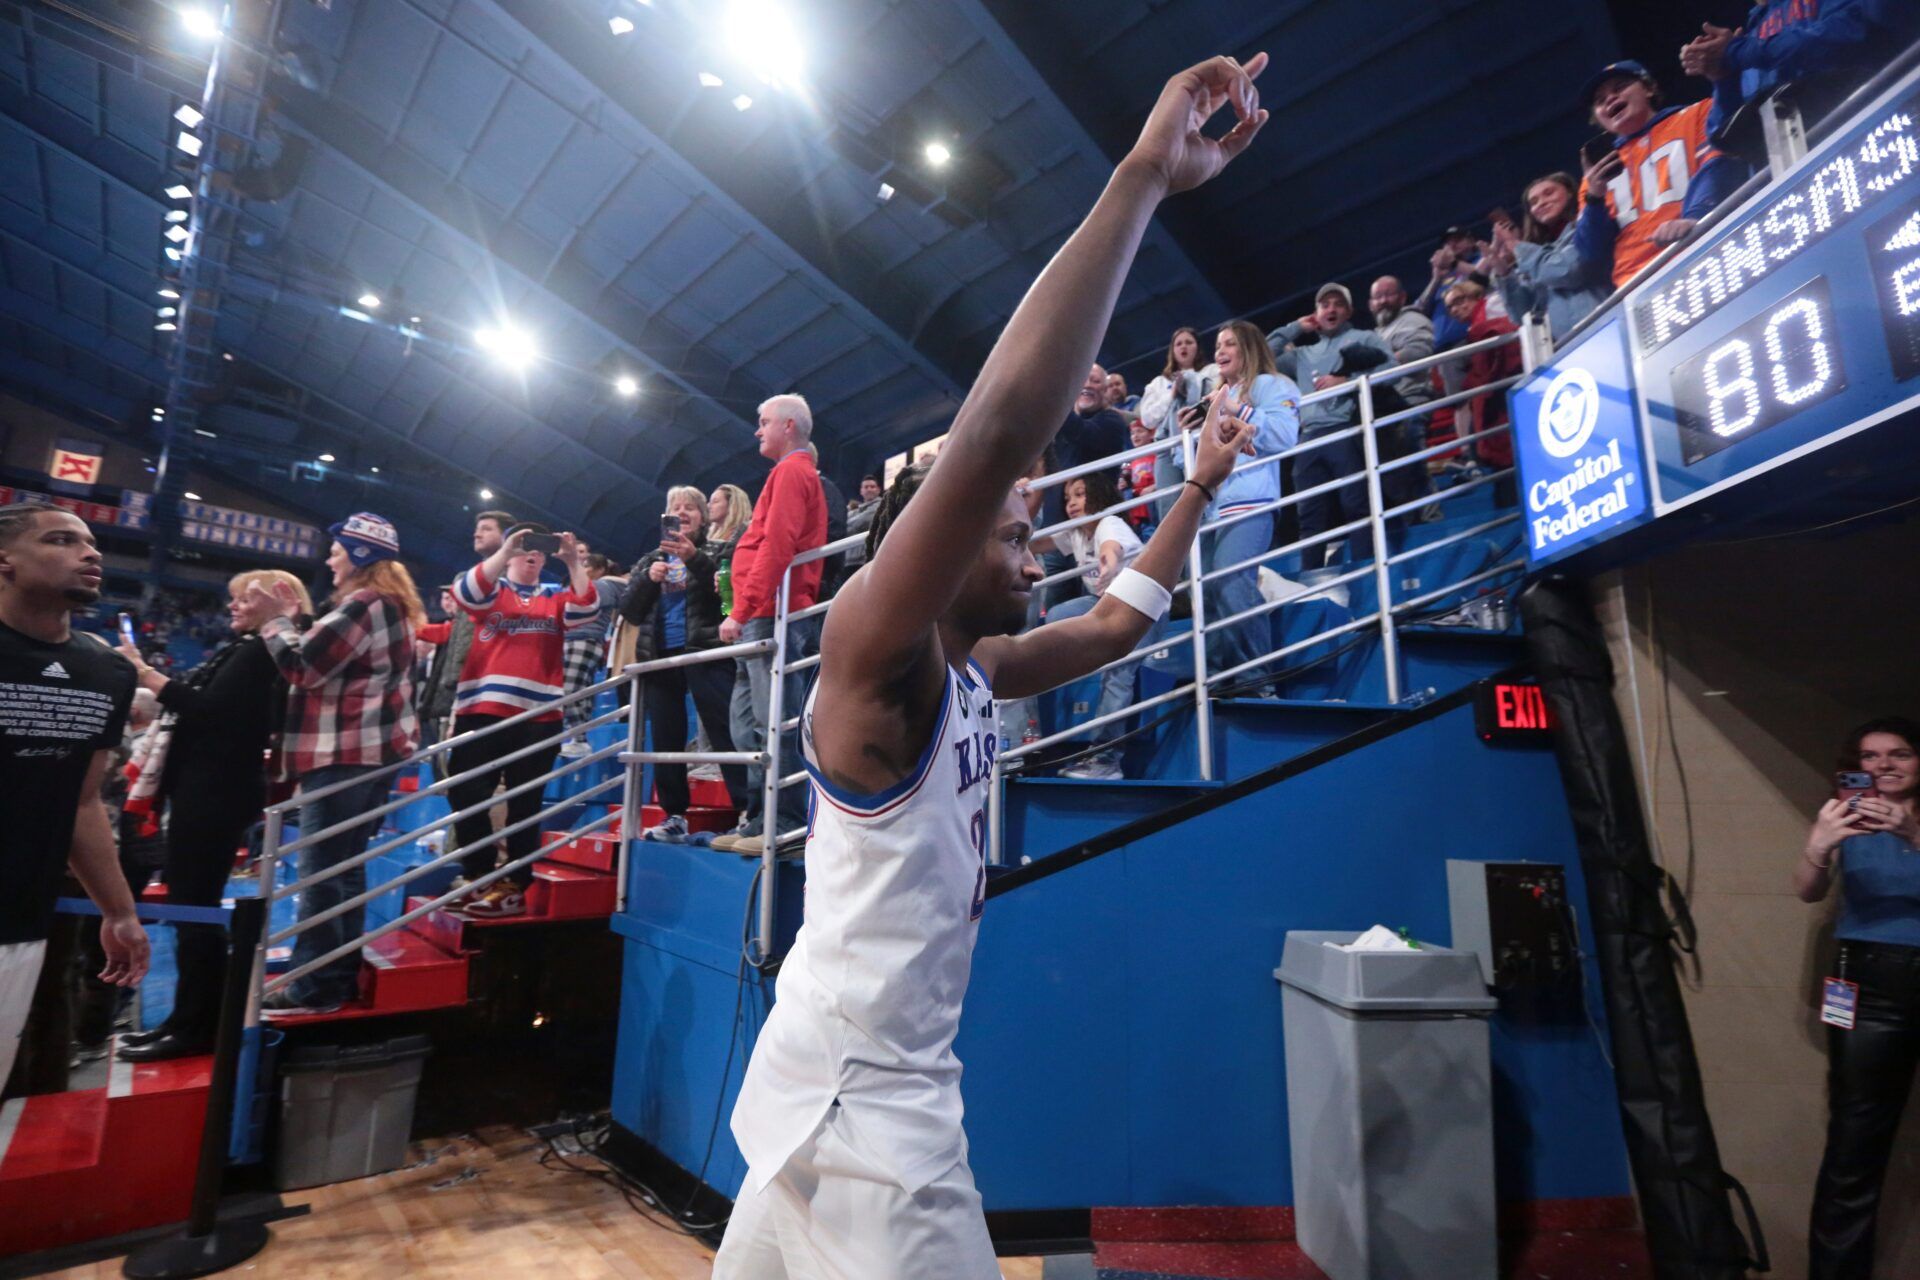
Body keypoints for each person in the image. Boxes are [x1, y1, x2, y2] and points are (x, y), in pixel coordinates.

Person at [713, 50, 1268, 1277]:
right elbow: (1004, 427)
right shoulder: (873, 651)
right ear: (933, 544)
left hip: (846, 1079)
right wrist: (1139, 177)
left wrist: (1195, 492)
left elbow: (1119, 626)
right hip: (872, 1107)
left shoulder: (978, 668)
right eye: (1007, 529)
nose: (1029, 542)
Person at [111, 569, 305, 1059]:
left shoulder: (262, 652)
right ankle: (186, 1017)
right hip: (206, 791)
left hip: (216, 794)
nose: (234, 606)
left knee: (195, 909)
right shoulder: (244, 648)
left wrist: (143, 671)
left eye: (245, 598)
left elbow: (208, 712)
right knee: (189, 907)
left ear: (277, 601)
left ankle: (197, 1026)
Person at [0, 504, 149, 1091]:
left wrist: (119, 911)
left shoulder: (105, 672)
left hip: (19, 924)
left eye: (92, 543)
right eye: (61, 540)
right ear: (4, 561)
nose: (90, 553)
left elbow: (81, 802)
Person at [252, 513, 421, 1015]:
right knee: (343, 874)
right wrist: (296, 621)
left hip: (345, 754)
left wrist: (274, 623)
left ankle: (315, 989)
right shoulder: (389, 605)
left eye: (338, 549)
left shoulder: (365, 602)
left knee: (322, 875)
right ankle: (335, 979)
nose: (330, 558)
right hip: (370, 755)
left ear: (360, 555)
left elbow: (303, 667)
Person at [1795, 718, 1920, 1280]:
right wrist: (1819, 846)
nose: (1884, 766)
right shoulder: (1842, 813)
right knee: (1854, 1142)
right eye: (1870, 757)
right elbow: (1806, 890)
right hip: (1865, 983)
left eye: (1900, 754)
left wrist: (1912, 834)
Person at [445, 522, 598, 918]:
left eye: (539, 550)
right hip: (482, 711)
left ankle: (515, 882)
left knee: (524, 804)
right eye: (525, 547)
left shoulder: (554, 595)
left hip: (539, 717)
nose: (533, 554)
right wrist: (506, 548)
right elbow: (467, 593)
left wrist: (572, 562)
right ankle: (479, 876)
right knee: (465, 796)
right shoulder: (493, 590)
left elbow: (588, 609)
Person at [713, 395, 829, 857]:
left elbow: (777, 543)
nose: (757, 431)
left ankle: (786, 819)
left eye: (763, 423)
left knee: (773, 723)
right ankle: (763, 817)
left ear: (787, 426)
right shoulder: (791, 472)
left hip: (770, 613)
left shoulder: (792, 472)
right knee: (751, 727)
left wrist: (742, 609)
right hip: (762, 612)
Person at [620, 486, 748, 842]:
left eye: (690, 507)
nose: (683, 512)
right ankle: (674, 816)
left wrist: (693, 557)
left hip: (704, 653)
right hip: (660, 659)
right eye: (676, 507)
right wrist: (649, 580)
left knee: (725, 733)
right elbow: (629, 611)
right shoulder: (650, 559)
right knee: (666, 742)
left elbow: (728, 597)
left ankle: (748, 811)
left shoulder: (717, 548)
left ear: (703, 515)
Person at [1575, 59, 1743, 289]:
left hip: (1700, 253)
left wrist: (1696, 217)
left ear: (1649, 88)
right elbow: (1589, 252)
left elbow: (1717, 167)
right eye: (1600, 100)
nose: (1610, 100)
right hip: (1636, 286)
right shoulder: (1595, 176)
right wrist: (1594, 197)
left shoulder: (1697, 114)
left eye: (1620, 87)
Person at [1035, 471, 1150, 780]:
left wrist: (1109, 563)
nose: (1072, 503)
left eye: (1080, 494)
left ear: (1099, 494)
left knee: (1118, 676)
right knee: (1057, 616)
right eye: (1068, 498)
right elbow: (1035, 543)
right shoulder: (1076, 531)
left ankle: (1106, 760)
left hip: (1140, 604)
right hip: (1108, 603)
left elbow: (1112, 547)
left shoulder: (1108, 522)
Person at [1269, 283, 1392, 565]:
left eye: (1338, 304)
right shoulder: (1302, 354)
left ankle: (1366, 573)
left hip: (1345, 430)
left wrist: (1348, 382)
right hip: (1309, 438)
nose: (1331, 309)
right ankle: (1311, 582)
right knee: (1310, 515)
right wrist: (1296, 327)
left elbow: (1393, 369)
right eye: (1325, 305)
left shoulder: (1364, 337)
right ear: (1316, 313)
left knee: (1356, 505)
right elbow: (1262, 353)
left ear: (1348, 311)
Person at [1038, 364, 1133, 609]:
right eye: (1082, 379)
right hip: (1057, 533)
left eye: (1094, 380)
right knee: (1053, 612)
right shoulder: (1061, 427)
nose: (1087, 385)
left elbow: (1083, 433)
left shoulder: (1111, 420)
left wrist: (1057, 399)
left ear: (1107, 390)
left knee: (1090, 608)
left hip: (1092, 532)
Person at [418, 512, 510, 747]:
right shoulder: (467, 578)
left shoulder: (519, 580)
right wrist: (451, 681)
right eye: (477, 528)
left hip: (494, 685)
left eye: (487, 529)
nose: (477, 533)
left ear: (507, 536)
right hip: (460, 683)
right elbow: (459, 635)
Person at [1485, 172, 1610, 341]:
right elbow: (1525, 314)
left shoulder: (1588, 227)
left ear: (1570, 193)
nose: (1541, 203)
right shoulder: (1535, 254)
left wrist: (1515, 245)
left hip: (1607, 327)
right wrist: (1504, 273)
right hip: (1568, 349)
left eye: (1549, 193)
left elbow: (1569, 271)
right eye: (1533, 202)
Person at [1443, 280, 1522, 504]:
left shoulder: (1492, 305)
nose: (1456, 309)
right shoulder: (1473, 328)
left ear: (1474, 294)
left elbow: (1511, 342)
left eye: (1459, 301)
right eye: (1450, 307)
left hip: (1506, 390)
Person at [1368, 275, 1438, 513]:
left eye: (1388, 294)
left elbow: (1418, 351)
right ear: (1370, 304)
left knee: (1412, 462)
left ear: (1402, 297)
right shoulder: (1375, 334)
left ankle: (1430, 515)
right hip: (1381, 408)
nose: (1383, 301)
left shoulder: (1412, 319)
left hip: (1411, 401)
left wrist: (1378, 365)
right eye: (1378, 297)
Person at [1414, 226, 1485, 350]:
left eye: (1457, 239)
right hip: (1439, 346)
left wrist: (1453, 263)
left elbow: (1483, 276)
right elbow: (1418, 310)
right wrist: (1435, 279)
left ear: (1471, 241)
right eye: (1447, 242)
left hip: (1471, 337)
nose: (1452, 244)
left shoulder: (1480, 260)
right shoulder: (1443, 277)